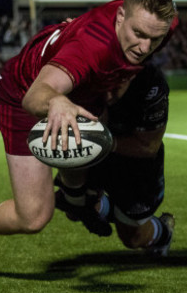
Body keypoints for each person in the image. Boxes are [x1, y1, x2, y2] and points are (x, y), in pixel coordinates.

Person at [0, 0, 177, 280]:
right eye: (138, 34)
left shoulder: (153, 17)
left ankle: (79, 203)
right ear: (121, 14)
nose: (144, 47)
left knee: (83, 141)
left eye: (155, 39)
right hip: (24, 89)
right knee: (33, 216)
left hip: (82, 86)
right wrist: (56, 101)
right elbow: (35, 96)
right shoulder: (89, 49)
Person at [54, 62, 174, 254]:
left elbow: (149, 146)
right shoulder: (85, 72)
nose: (108, 95)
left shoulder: (151, 85)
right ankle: (93, 205)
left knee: (132, 239)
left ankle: (162, 233)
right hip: (98, 152)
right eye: (104, 86)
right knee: (74, 209)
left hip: (137, 165)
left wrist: (102, 142)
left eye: (115, 87)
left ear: (130, 76)